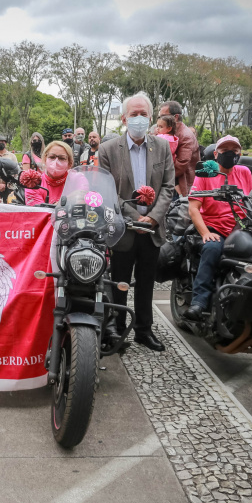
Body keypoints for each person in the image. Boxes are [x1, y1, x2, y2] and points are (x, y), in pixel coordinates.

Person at [98, 92, 175, 352]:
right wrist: (135, 217)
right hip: (124, 229)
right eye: (134, 114)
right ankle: (118, 331)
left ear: (151, 117)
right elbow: (108, 191)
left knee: (146, 284)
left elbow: (168, 186)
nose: (139, 119)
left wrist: (153, 217)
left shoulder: (162, 147)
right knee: (119, 282)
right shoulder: (108, 149)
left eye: (144, 114)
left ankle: (144, 330)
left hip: (152, 229)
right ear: (124, 118)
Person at [183, 136, 252, 321]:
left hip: (242, 229)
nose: (230, 153)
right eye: (225, 150)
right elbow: (193, 209)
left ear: (240, 154)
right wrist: (206, 233)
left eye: (234, 150)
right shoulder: (206, 173)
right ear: (216, 154)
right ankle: (199, 302)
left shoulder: (244, 172)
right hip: (216, 228)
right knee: (212, 248)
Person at [159, 101, 200, 196]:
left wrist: (159, 174)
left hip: (180, 189)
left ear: (176, 117)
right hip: (171, 184)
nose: (161, 119)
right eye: (160, 117)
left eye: (163, 116)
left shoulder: (186, 136)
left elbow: (180, 165)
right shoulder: (169, 132)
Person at [25, 141, 76, 205]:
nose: (56, 162)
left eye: (62, 158)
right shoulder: (34, 183)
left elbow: (83, 200)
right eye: (52, 157)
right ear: (45, 159)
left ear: (69, 163)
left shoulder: (77, 179)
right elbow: (39, 213)